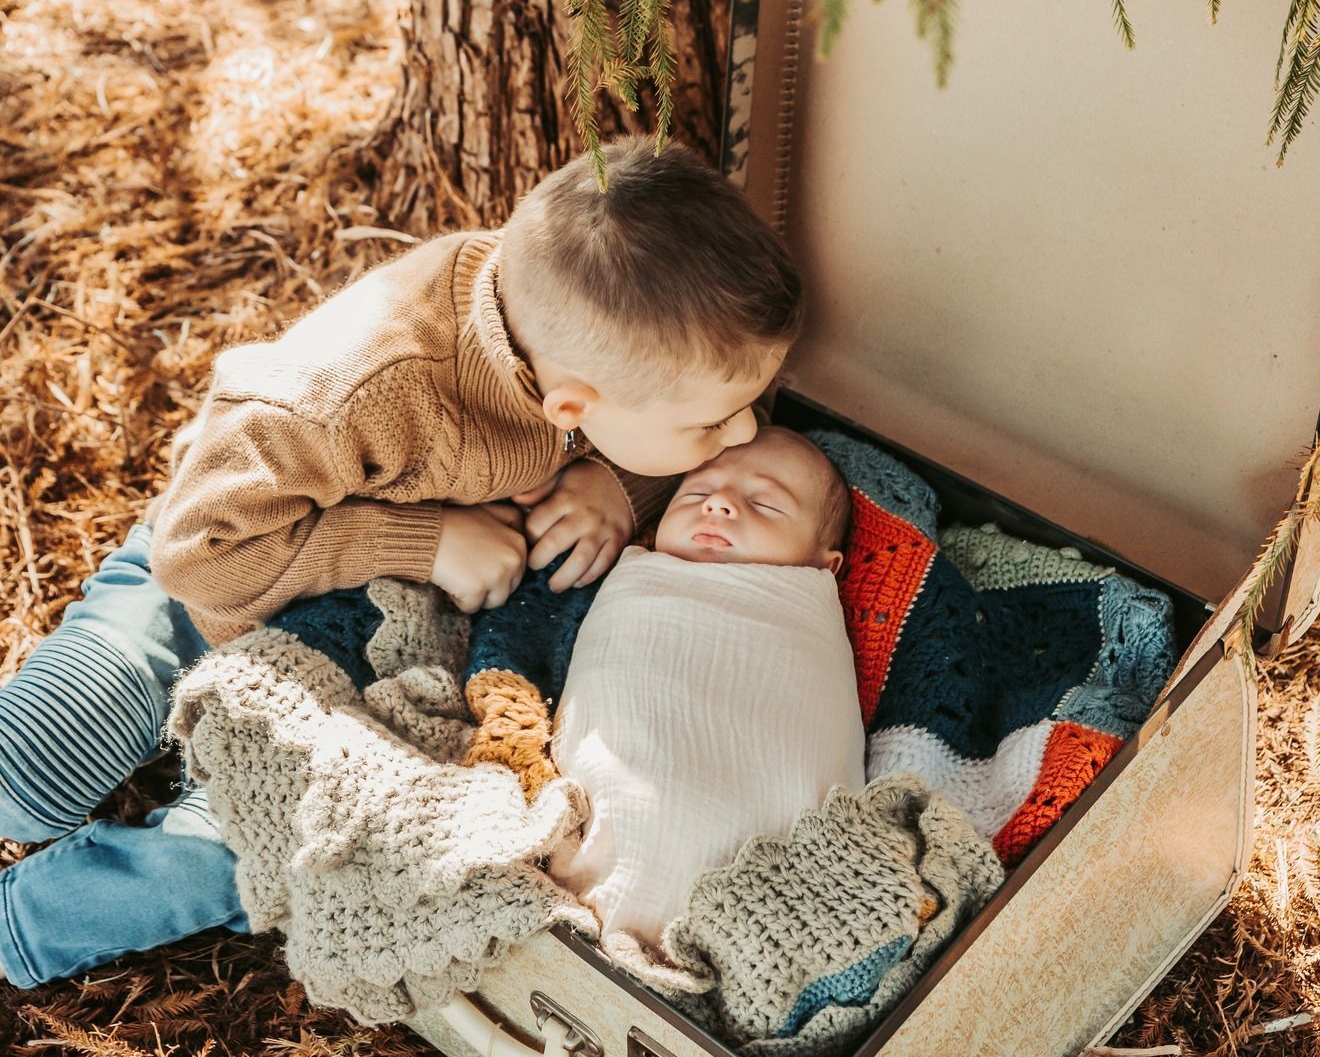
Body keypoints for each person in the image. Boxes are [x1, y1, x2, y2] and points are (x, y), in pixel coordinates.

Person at [0, 142, 804, 986]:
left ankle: (23, 923)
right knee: (28, 769)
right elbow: (201, 555)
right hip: (213, 574)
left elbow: (648, 427)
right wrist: (426, 542)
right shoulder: (361, 382)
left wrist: (616, 480)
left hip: (355, 652)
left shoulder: (590, 352)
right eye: (713, 426)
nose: (743, 434)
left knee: (242, 851)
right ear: (570, 407)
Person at [549, 427, 866, 951]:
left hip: (763, 850)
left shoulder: (802, 608)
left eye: (765, 504)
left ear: (821, 566)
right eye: (695, 493)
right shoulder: (638, 571)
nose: (718, 503)